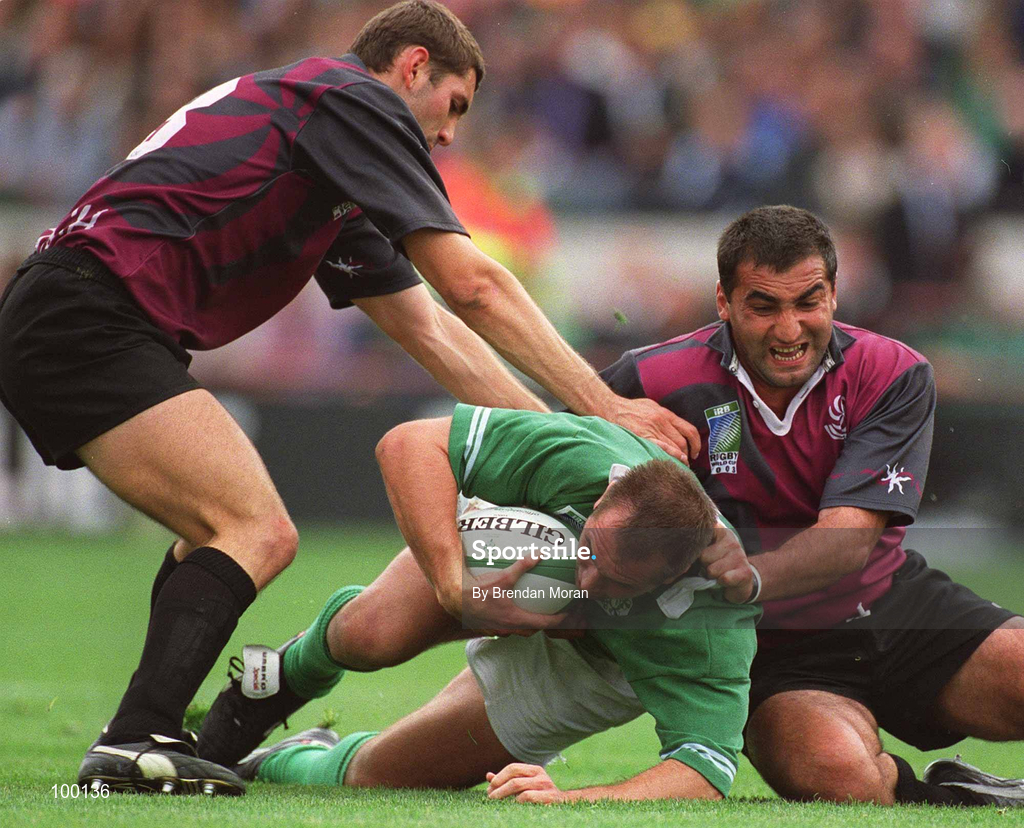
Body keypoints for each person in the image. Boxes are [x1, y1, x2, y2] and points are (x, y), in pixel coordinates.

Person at [0, 0, 698, 796]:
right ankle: (134, 741)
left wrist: (559, 455)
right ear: (411, 69)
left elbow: (432, 334)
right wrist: (605, 413)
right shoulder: (352, 100)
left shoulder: (324, 154)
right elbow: (471, 286)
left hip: (77, 311)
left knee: (219, 530)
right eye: (453, 105)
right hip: (90, 314)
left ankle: (143, 733)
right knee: (253, 528)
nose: (449, 136)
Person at [599, 204, 1024, 807]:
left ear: (833, 293)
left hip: (890, 604)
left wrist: (729, 580)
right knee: (838, 774)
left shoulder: (892, 371)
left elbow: (847, 543)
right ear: (724, 301)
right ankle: (957, 796)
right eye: (764, 306)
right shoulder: (650, 378)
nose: (790, 329)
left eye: (808, 302)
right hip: (771, 650)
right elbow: (555, 453)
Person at [199, 405, 759, 801]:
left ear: (676, 572)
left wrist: (569, 800)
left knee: (380, 775)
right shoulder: (585, 458)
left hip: (597, 669)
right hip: (527, 560)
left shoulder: (712, 625)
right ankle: (273, 683)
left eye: (617, 579)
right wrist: (453, 586)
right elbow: (408, 443)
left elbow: (703, 771)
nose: (586, 583)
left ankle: (285, 758)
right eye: (589, 549)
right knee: (371, 634)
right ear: (607, 491)